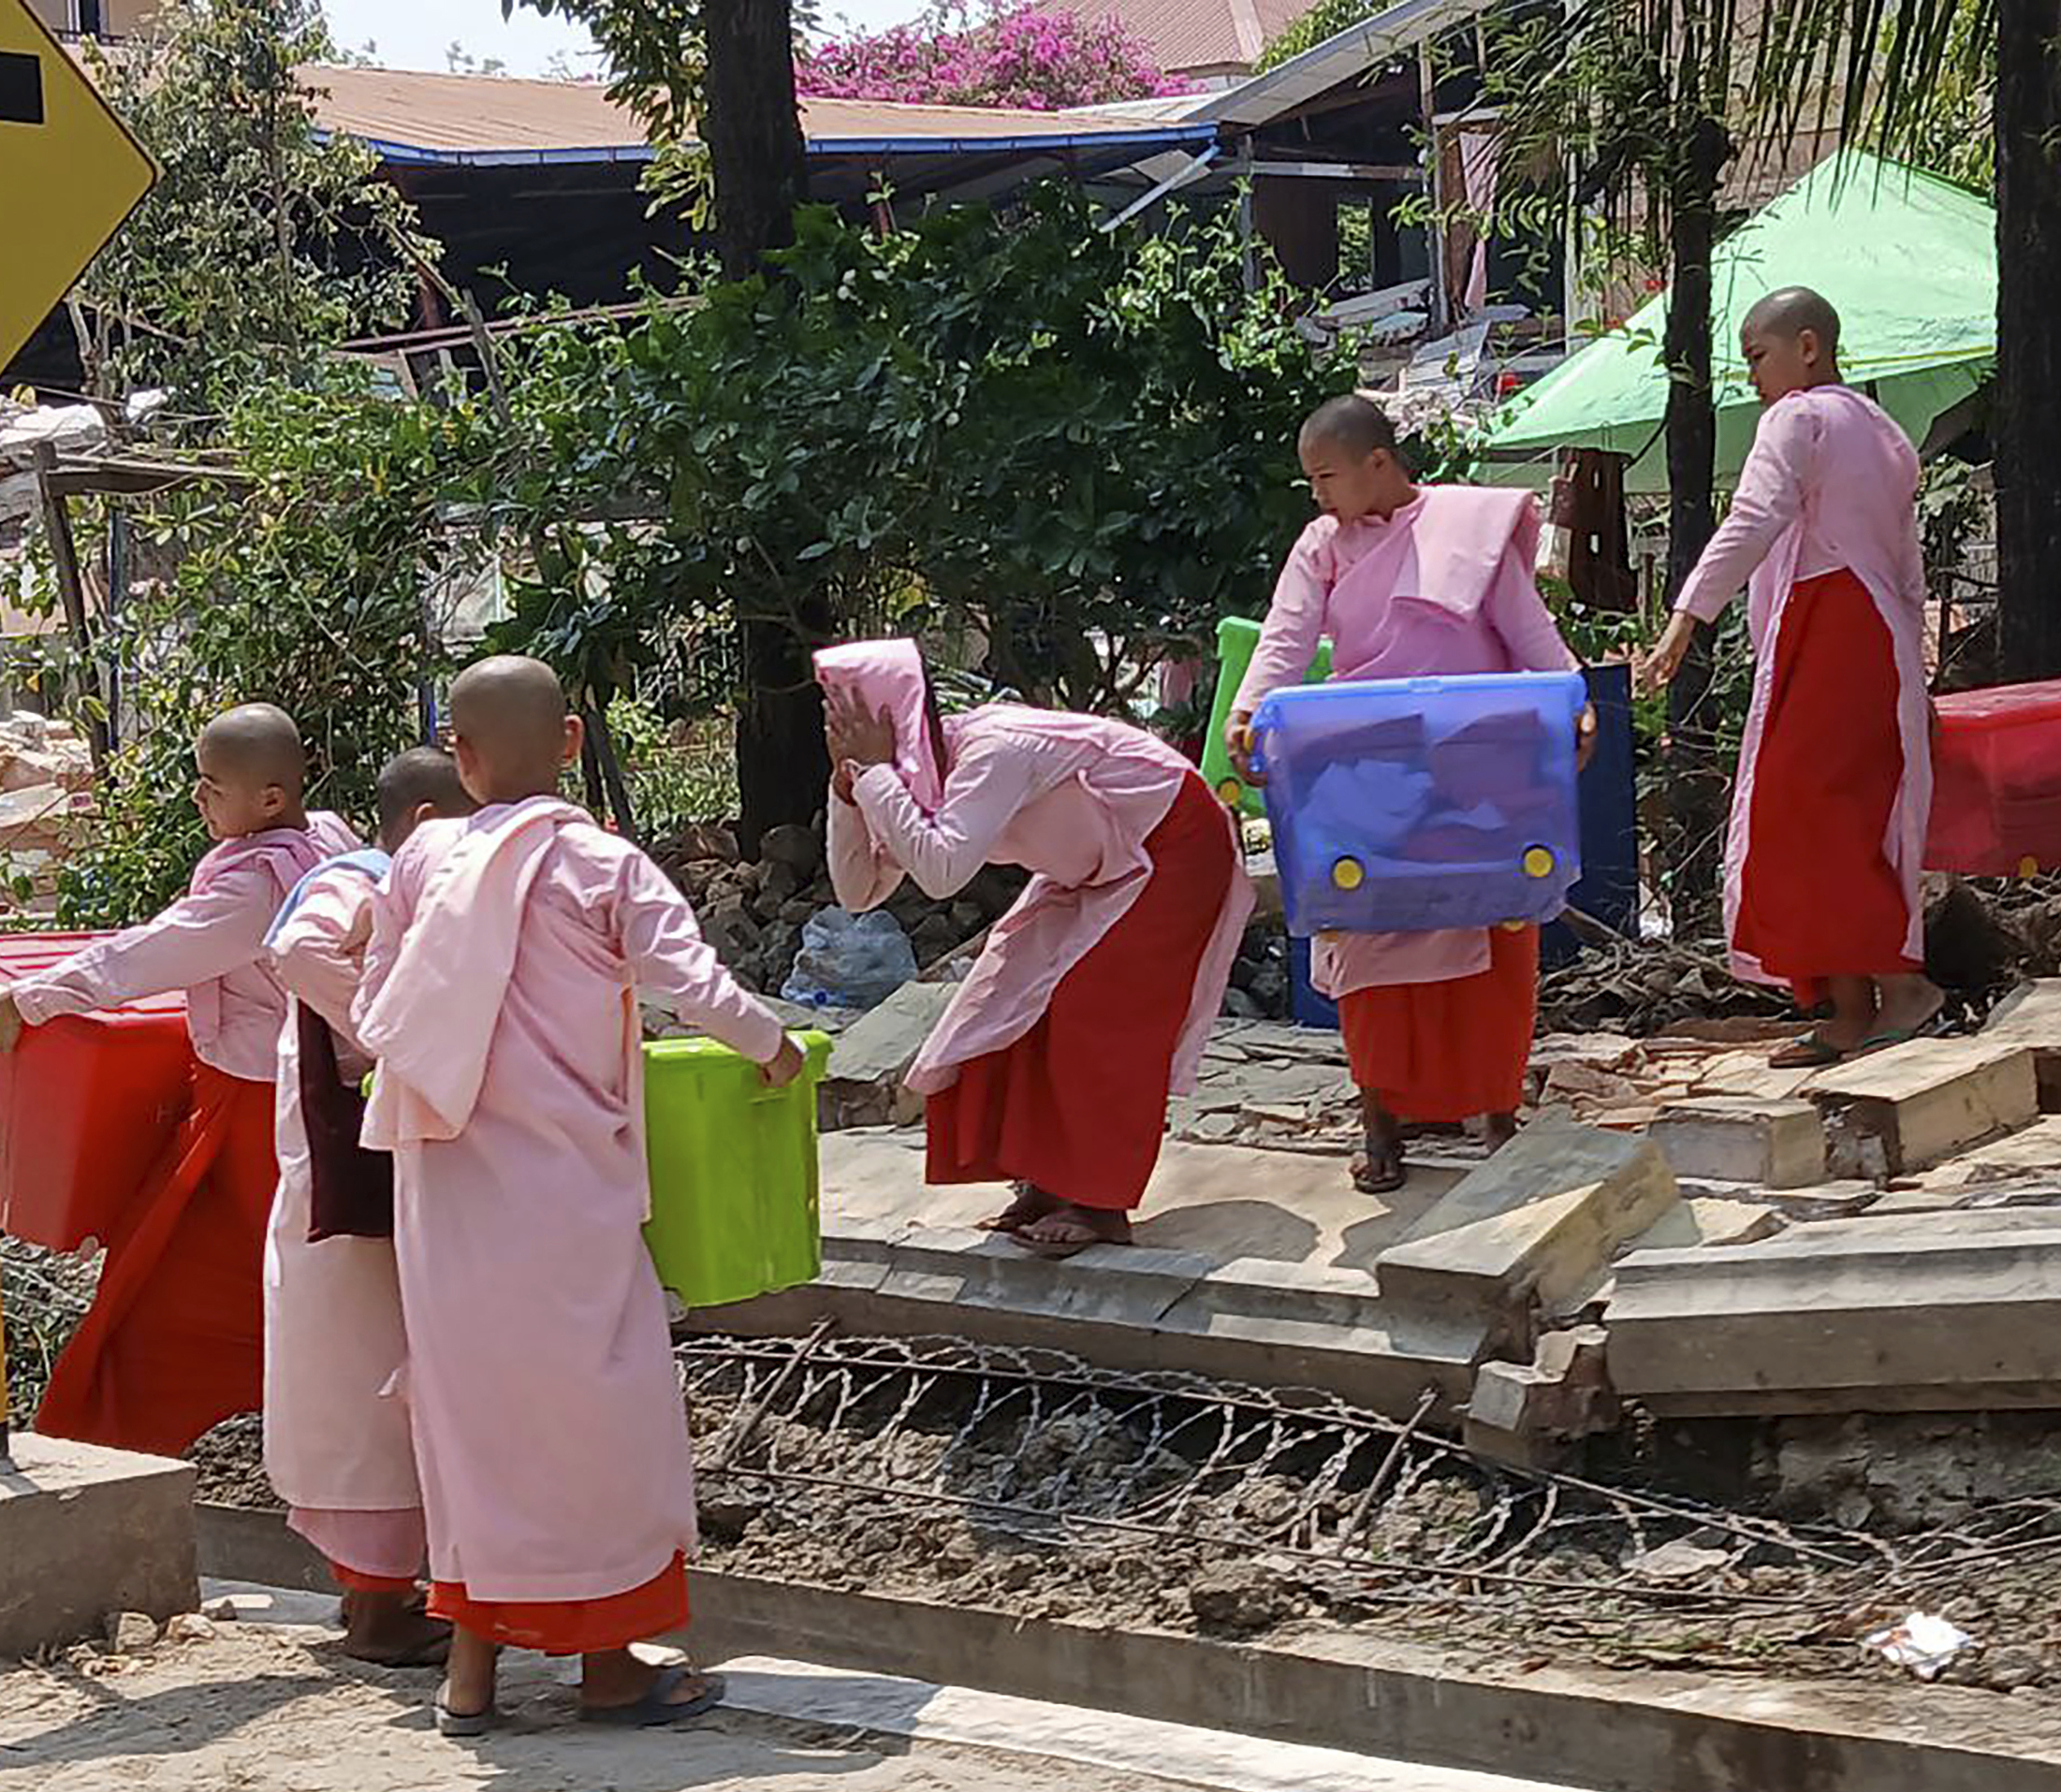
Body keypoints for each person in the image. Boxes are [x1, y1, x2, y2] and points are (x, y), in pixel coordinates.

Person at [354, 656, 808, 1735]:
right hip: (562, 1186)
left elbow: (373, 1000)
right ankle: (607, 1666)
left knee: (473, 1415)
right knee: (597, 1417)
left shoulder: (420, 858)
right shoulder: (601, 862)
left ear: (459, 759)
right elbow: (690, 983)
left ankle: (471, 1674)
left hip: (447, 1179)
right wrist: (774, 1047)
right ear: (570, 745)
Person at [1224, 394, 1590, 1193]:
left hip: (1478, 757)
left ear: (1377, 465)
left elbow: (1526, 626)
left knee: (1493, 931)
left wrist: (1574, 696)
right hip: (1370, 766)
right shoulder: (1322, 543)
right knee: (1367, 938)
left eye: (1325, 476)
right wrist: (1249, 711)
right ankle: (1381, 1118)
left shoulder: (1466, 528)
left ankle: (1495, 1111)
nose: (1317, 495)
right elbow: (1287, 633)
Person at [0, 705, 358, 1456]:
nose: (198, 801)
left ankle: (111, 1444)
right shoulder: (330, 839)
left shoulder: (258, 889)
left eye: (211, 787)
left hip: (256, 1114)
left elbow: (156, 953)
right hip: (281, 1097)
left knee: (199, 1288)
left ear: (271, 800)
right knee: (230, 1282)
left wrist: (32, 997)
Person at [819, 640, 1250, 1255]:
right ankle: (1046, 1181)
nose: (839, 732)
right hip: (1095, 869)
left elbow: (942, 872)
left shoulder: (996, 748)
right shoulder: (909, 780)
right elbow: (859, 891)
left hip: (1173, 843)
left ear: (894, 718)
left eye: (850, 716)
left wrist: (877, 775)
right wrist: (847, 791)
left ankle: (1099, 1201)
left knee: (1094, 1003)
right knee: (1003, 996)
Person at [1641, 286, 1939, 1067]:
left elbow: (1753, 518)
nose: (1753, 379)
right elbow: (1907, 561)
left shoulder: (1797, 418)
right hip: (1880, 633)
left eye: (1757, 358)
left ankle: (1865, 1000)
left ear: (1807, 347)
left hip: (1834, 621)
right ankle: (1873, 989)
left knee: (1801, 810)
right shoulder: (1883, 429)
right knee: (1844, 810)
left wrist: (1685, 619)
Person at [260, 747, 476, 1668]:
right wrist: (403, 1034)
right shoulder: (364, 879)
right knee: (366, 1387)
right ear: (427, 822)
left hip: (376, 1164)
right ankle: (378, 1605)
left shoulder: (406, 882)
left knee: (388, 1379)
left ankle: (384, 1595)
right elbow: (296, 951)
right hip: (346, 1178)